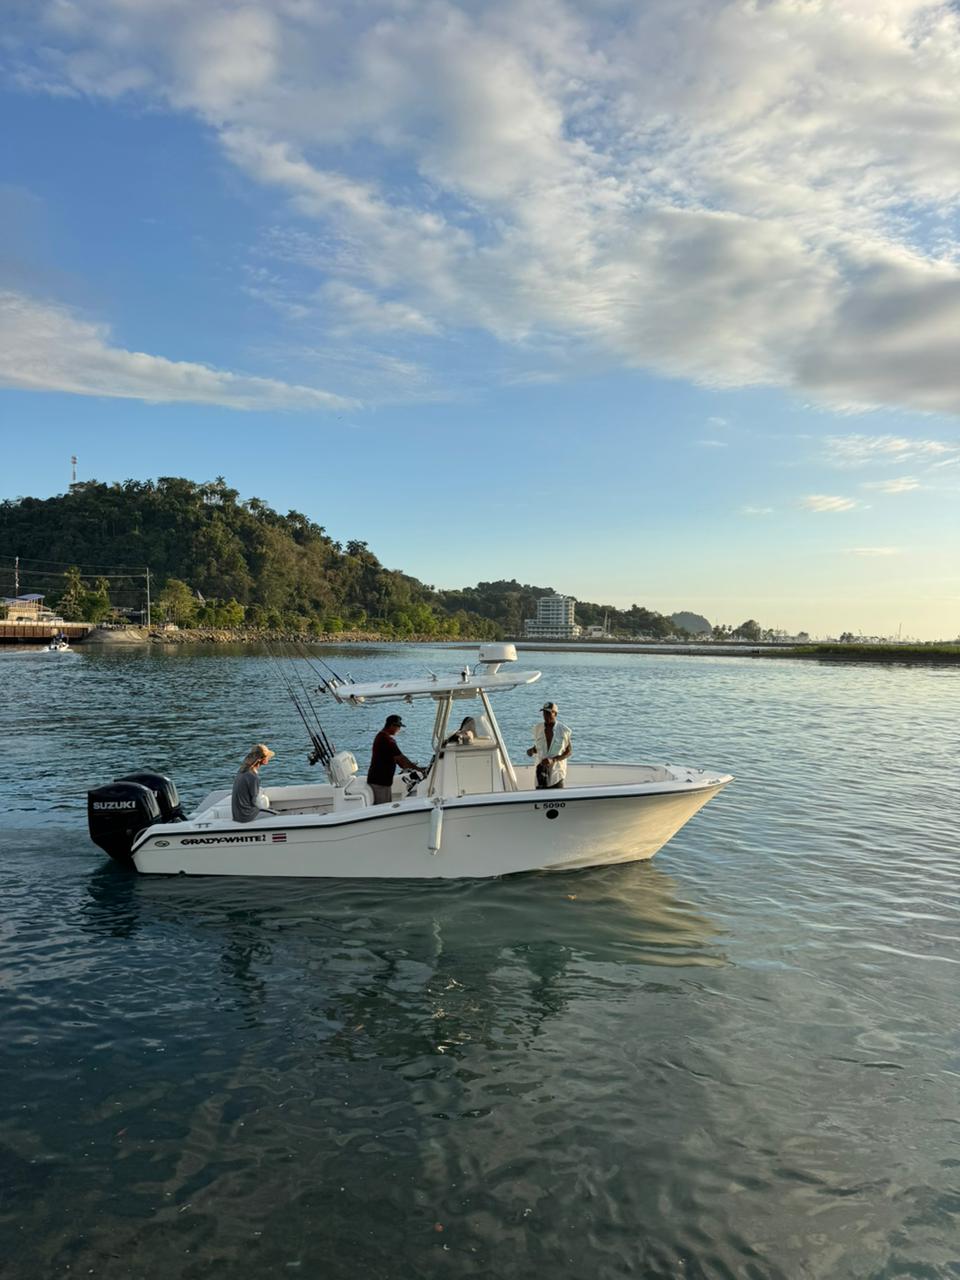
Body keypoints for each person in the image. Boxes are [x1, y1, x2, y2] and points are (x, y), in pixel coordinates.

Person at [367, 714, 421, 805]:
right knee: (383, 808)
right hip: (380, 782)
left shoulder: (381, 737)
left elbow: (399, 761)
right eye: (398, 727)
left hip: (381, 780)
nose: (399, 729)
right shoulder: (387, 740)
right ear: (392, 725)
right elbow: (402, 760)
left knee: (386, 805)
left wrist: (410, 766)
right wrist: (419, 769)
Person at [527, 701, 573, 789]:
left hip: (556, 775)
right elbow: (538, 747)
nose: (545, 716)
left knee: (557, 797)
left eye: (548, 713)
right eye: (544, 713)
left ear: (555, 714)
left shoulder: (564, 730)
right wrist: (531, 751)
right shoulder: (537, 729)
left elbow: (569, 751)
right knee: (540, 797)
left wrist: (553, 760)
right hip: (541, 775)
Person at [231, 743, 275, 822]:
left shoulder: (242, 771)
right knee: (276, 815)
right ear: (262, 759)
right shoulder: (253, 777)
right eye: (267, 756)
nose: (269, 758)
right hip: (246, 815)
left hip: (237, 815)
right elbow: (256, 802)